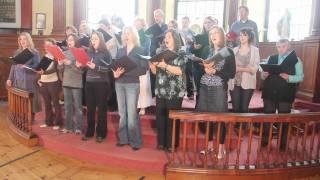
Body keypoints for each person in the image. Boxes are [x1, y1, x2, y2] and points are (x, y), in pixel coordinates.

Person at [197, 26, 236, 159]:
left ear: (222, 36)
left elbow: (231, 73)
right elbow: (203, 66)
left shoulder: (228, 51)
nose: (213, 35)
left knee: (220, 119)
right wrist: (205, 68)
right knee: (207, 119)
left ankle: (221, 148)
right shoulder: (208, 50)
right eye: (211, 33)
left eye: (216, 33)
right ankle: (208, 146)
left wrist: (215, 72)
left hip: (219, 88)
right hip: (204, 87)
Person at [261, 39, 304, 150]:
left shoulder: (296, 60)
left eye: (283, 46)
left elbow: (301, 77)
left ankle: (282, 144)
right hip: (270, 92)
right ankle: (265, 141)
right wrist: (263, 74)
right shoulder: (271, 58)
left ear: (289, 46)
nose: (281, 49)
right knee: (267, 118)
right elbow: (262, 75)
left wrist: (289, 77)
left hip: (286, 93)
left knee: (284, 119)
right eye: (278, 46)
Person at [149, 29, 188, 151]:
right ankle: (162, 143)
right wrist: (152, 67)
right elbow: (156, 72)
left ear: (175, 39)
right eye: (165, 36)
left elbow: (179, 71)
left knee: (172, 119)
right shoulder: (160, 52)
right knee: (161, 118)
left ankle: (171, 144)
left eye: (169, 36)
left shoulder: (181, 53)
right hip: (161, 90)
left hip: (175, 91)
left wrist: (165, 65)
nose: (166, 38)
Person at [113, 26, 148, 150]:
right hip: (119, 83)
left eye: (128, 33)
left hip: (132, 84)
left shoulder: (141, 50)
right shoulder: (120, 50)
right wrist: (115, 73)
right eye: (124, 33)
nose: (125, 35)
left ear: (134, 35)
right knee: (122, 113)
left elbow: (144, 69)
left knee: (132, 114)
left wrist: (125, 72)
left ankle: (135, 141)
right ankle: (123, 139)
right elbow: (116, 67)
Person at [81, 31, 113, 143]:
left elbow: (109, 69)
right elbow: (85, 67)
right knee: (90, 110)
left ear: (101, 40)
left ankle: (101, 133)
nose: (93, 41)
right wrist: (81, 65)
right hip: (89, 83)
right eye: (92, 39)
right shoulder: (89, 52)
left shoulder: (106, 52)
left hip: (101, 84)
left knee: (101, 109)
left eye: (95, 39)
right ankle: (89, 132)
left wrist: (96, 67)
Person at [6, 32, 41, 113]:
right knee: (20, 100)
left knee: (30, 102)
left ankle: (30, 118)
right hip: (17, 79)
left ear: (29, 40)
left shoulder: (34, 52)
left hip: (29, 79)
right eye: (20, 39)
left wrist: (26, 66)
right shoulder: (17, 51)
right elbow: (13, 66)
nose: (22, 41)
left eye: (24, 39)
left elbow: (37, 66)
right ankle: (21, 116)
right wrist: (9, 79)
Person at [57, 33, 84, 134]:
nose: (69, 42)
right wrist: (60, 64)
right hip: (66, 82)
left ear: (76, 41)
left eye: (72, 40)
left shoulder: (80, 52)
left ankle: (79, 128)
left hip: (76, 83)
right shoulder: (65, 52)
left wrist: (71, 64)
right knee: (67, 107)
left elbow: (81, 71)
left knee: (78, 107)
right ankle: (68, 127)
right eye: (68, 40)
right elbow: (61, 69)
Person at [229, 28, 260, 118]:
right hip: (234, 82)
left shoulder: (255, 50)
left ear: (250, 37)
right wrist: (238, 68)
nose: (241, 37)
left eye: (244, 35)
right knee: (235, 108)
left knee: (243, 108)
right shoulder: (234, 50)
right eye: (241, 35)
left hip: (248, 81)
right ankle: (236, 127)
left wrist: (239, 69)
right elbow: (231, 67)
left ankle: (243, 128)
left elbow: (254, 69)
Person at [190, 16, 218, 107]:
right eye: (205, 22)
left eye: (209, 22)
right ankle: (198, 108)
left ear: (214, 23)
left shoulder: (217, 37)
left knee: (209, 90)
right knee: (199, 89)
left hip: (212, 67)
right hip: (198, 66)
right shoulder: (199, 36)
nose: (207, 24)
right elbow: (191, 49)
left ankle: (207, 110)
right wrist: (194, 47)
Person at [37, 38, 62, 130]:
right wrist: (38, 79)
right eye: (45, 45)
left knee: (55, 103)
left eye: (49, 45)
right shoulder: (45, 56)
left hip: (53, 82)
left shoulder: (56, 56)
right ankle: (48, 122)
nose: (46, 47)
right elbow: (39, 70)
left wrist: (42, 73)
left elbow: (54, 69)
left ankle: (58, 123)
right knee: (47, 104)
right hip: (44, 82)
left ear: (53, 46)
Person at [147, 9, 168, 97]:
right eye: (155, 16)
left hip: (164, 52)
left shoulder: (166, 26)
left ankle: (162, 91)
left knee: (163, 71)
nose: (156, 18)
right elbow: (148, 39)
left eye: (158, 16)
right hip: (153, 51)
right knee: (153, 72)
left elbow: (167, 36)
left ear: (162, 16)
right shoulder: (151, 28)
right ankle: (153, 92)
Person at [134, 17, 153, 115]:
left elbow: (145, 50)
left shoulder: (146, 38)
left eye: (138, 24)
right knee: (134, 86)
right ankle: (135, 105)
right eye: (135, 24)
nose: (136, 26)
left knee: (142, 86)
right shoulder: (132, 36)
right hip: (133, 64)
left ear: (143, 25)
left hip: (142, 63)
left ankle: (142, 107)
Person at [180, 16, 195, 100]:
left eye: (186, 21)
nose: (184, 23)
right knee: (179, 74)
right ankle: (180, 92)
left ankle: (190, 93)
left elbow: (195, 44)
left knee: (188, 74)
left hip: (189, 55)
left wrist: (191, 41)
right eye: (183, 21)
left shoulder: (192, 32)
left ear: (189, 22)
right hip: (180, 55)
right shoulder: (178, 31)